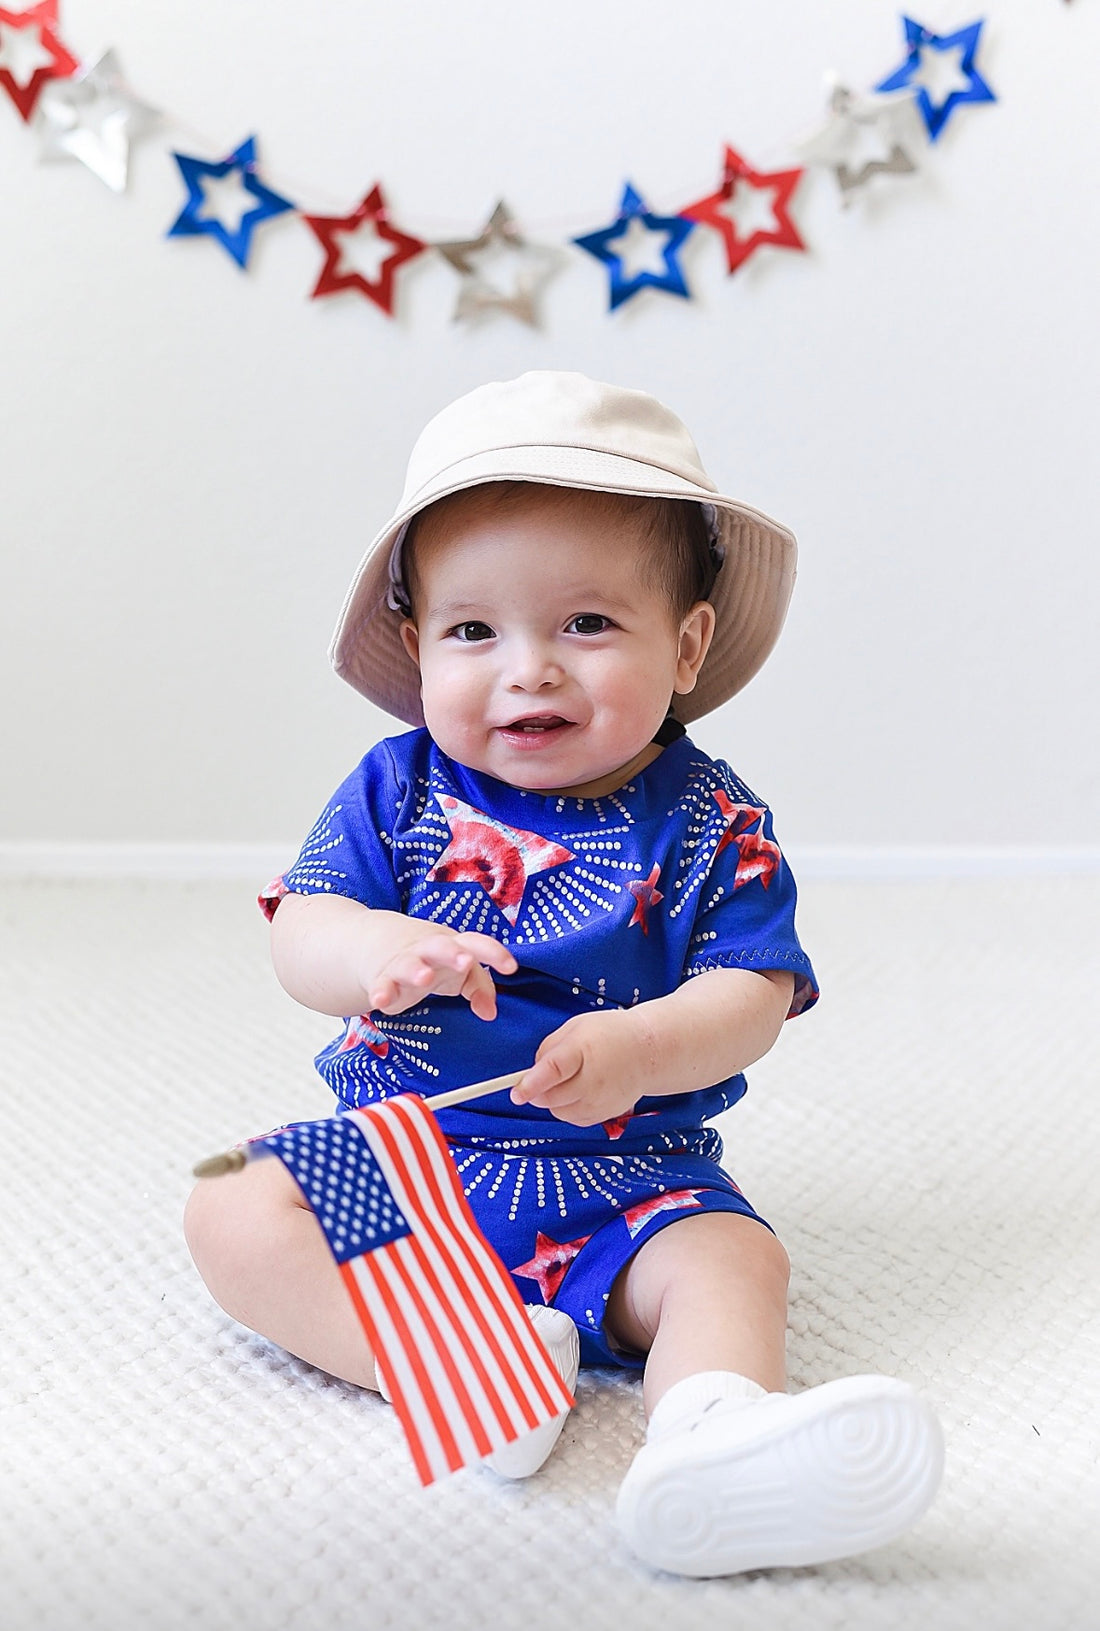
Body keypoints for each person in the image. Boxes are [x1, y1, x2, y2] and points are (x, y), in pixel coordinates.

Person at [184, 370, 943, 1577]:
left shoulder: (709, 820)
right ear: (419, 647)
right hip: (412, 1163)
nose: (527, 668)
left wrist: (643, 1047)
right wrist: (373, 950)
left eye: (584, 623)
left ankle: (712, 1431)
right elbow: (302, 927)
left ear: (686, 644)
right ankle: (473, 1365)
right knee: (233, 1205)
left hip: (623, 1181)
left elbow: (747, 996)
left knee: (731, 1259)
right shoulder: (398, 790)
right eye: (473, 630)